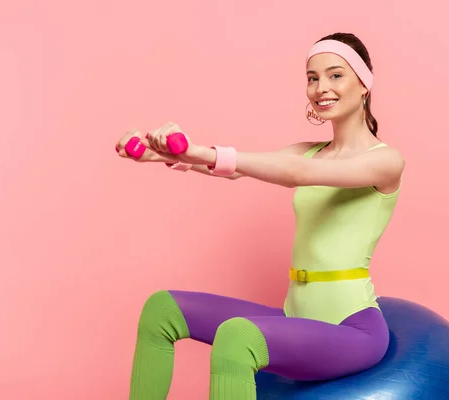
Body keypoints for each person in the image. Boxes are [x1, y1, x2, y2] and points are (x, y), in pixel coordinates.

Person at [117, 32, 405, 400]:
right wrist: (167, 156)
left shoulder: (385, 161)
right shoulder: (307, 151)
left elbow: (295, 174)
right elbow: (240, 169)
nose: (321, 88)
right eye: (312, 78)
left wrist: (208, 151)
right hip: (295, 317)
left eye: (336, 75)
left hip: (353, 330)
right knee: (162, 308)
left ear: (364, 85)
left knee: (238, 336)